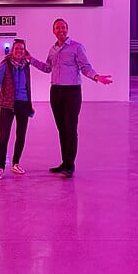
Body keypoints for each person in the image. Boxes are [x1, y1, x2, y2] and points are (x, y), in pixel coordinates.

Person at [29, 19, 112, 178]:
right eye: (58, 27)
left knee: (71, 129)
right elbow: (47, 68)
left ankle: (70, 165)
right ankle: (64, 162)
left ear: (67, 29)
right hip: (56, 91)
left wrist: (96, 77)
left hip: (72, 92)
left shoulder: (76, 47)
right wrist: (30, 59)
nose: (61, 30)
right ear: (53, 31)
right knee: (61, 129)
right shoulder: (52, 50)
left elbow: (85, 67)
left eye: (64, 27)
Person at [0, 39, 35, 180]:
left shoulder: (26, 65)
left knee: (21, 136)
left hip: (23, 104)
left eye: (22, 49)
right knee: (4, 137)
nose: (19, 51)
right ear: (12, 50)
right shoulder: (4, 65)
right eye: (17, 49)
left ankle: (15, 163)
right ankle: (1, 166)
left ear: (24, 51)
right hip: (7, 105)